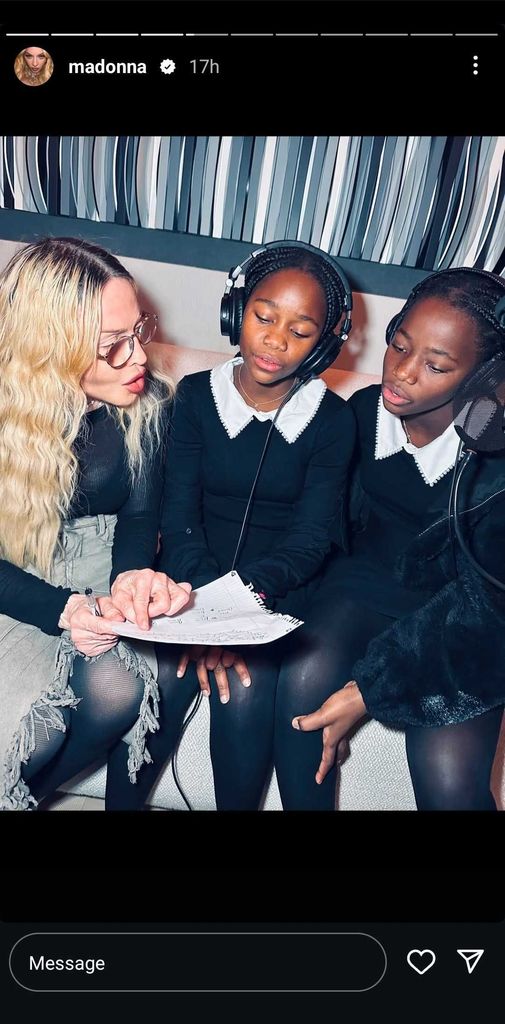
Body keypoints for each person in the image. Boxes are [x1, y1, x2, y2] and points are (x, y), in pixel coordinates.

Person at [105, 241, 357, 811]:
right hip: (190, 583)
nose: (275, 339)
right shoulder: (192, 398)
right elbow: (178, 518)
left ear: (325, 342)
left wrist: (234, 614)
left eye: (301, 329)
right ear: (236, 312)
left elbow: (312, 539)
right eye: (264, 317)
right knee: (154, 689)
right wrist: (204, 612)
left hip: (275, 592)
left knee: (242, 693)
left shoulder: (334, 421)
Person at [292, 267, 505, 811]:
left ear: (483, 377)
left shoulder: (497, 461)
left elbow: (491, 607)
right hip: (361, 586)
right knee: (300, 690)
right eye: (399, 346)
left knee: (449, 783)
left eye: (435, 365)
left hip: (462, 620)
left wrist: (370, 690)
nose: (403, 373)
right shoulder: (362, 413)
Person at [0, 237, 191, 811]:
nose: (137, 357)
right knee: (41, 728)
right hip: (15, 576)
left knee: (118, 687)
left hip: (96, 565)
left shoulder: (152, 401)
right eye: (113, 345)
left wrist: (132, 578)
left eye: (140, 330)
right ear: (50, 346)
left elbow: (138, 521)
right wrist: (63, 611)